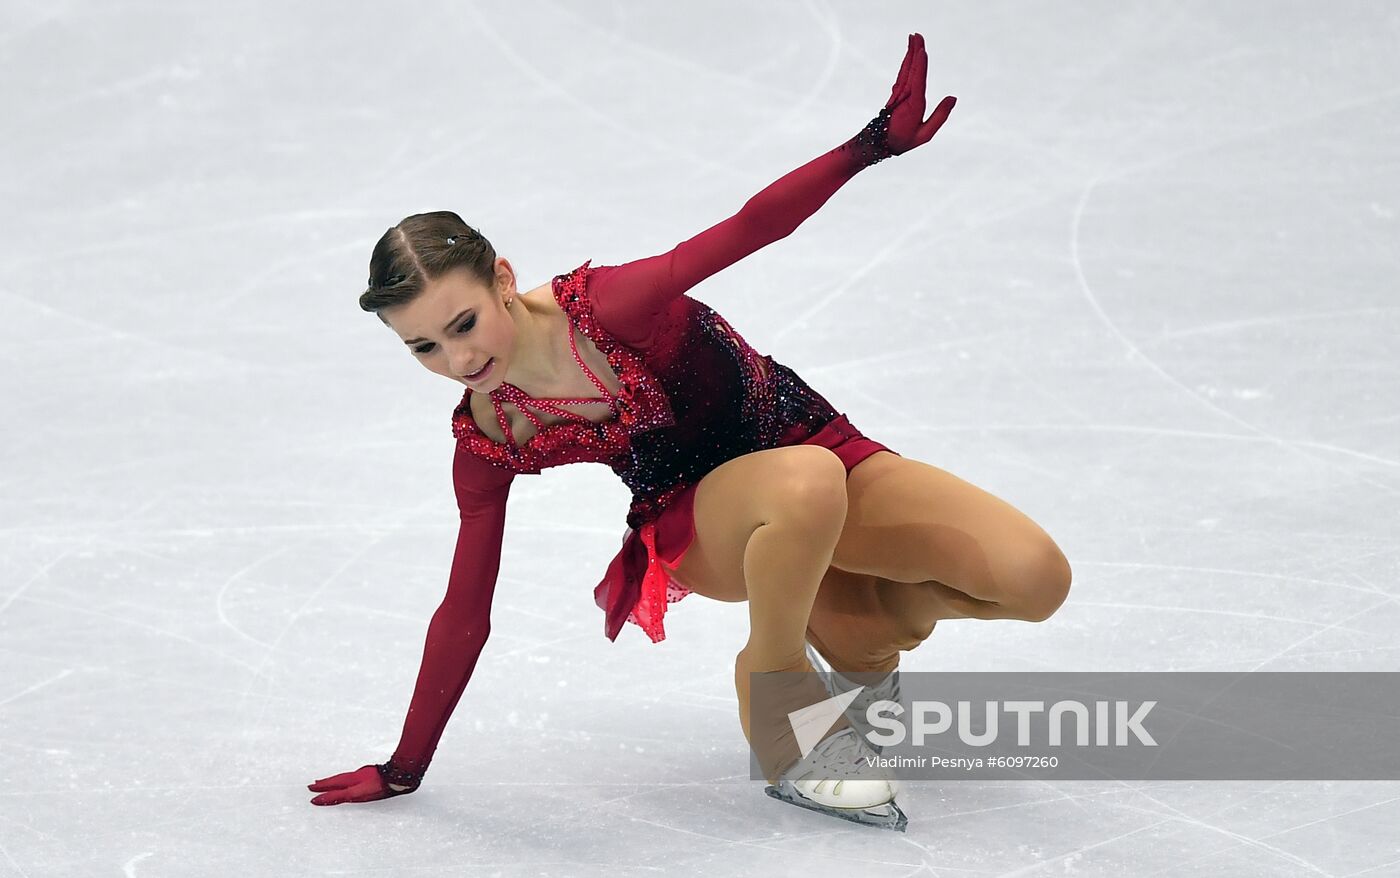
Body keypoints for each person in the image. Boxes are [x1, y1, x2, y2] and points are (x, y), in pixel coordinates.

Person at [308, 33, 1072, 830]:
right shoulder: (491, 435)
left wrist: (869, 147)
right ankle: (777, 698)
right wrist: (404, 767)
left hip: (812, 438)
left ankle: (862, 643)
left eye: (462, 323)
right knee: (802, 482)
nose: (457, 358)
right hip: (698, 517)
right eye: (423, 346)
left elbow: (749, 228)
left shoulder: (606, 309)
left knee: (1033, 578)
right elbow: (464, 609)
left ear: (502, 278)